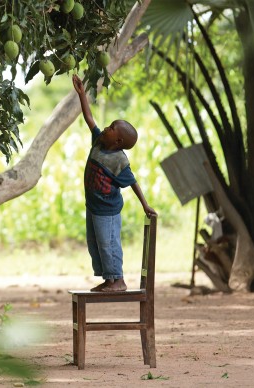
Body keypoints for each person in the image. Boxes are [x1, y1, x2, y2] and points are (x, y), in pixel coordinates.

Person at [72, 74, 157, 292]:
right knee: (96, 244)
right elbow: (89, 118)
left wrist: (145, 205)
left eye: (111, 128)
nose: (106, 128)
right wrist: (82, 94)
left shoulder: (119, 160)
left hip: (108, 210)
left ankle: (118, 280)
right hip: (93, 206)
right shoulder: (99, 142)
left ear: (118, 141)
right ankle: (108, 279)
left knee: (109, 243)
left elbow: (133, 183)